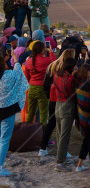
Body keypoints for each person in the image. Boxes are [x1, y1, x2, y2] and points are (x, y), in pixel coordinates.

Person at [39, 48, 75, 157]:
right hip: (63, 99)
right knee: (63, 127)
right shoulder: (68, 68)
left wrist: (50, 93)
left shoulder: (52, 65)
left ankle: (43, 148)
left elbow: (45, 84)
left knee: (51, 123)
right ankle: (62, 151)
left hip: (53, 98)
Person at [0, 46, 28, 176]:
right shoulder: (8, 76)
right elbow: (18, 72)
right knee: (4, 140)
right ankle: (0, 167)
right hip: (7, 111)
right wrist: (15, 58)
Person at [51, 52, 78, 170]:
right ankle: (59, 162)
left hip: (58, 104)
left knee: (59, 133)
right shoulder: (71, 79)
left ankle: (61, 156)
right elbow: (72, 93)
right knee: (64, 135)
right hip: (67, 106)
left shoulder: (57, 75)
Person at [23, 39, 54, 125]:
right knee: (43, 114)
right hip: (42, 89)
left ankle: (27, 131)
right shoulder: (46, 60)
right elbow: (54, 65)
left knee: (31, 113)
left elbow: (27, 76)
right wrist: (51, 52)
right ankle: (42, 135)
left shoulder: (28, 61)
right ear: (42, 49)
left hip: (32, 88)